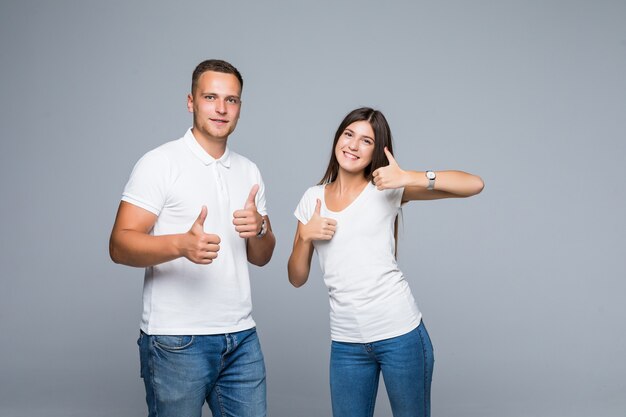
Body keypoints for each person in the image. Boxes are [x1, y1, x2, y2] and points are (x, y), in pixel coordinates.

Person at [288, 107, 484, 417]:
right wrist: (304, 238)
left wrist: (409, 177)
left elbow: (474, 185)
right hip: (346, 343)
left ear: (377, 151)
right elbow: (296, 277)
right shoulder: (312, 198)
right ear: (337, 138)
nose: (353, 145)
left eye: (366, 141)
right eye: (349, 135)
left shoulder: (386, 190)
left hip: (400, 336)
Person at [109, 59, 275, 417]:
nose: (220, 108)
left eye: (231, 100)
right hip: (176, 340)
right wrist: (180, 245)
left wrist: (260, 227)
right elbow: (119, 245)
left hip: (242, 337)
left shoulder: (249, 170)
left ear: (240, 108)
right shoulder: (160, 162)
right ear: (191, 102)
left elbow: (261, 256)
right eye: (210, 97)